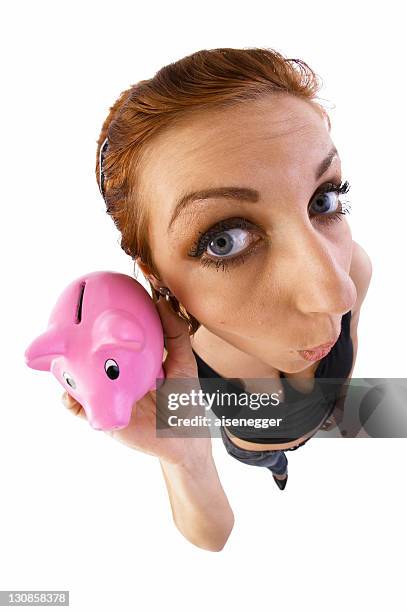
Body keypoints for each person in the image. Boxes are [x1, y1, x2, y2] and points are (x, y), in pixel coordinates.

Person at [63, 47, 372, 551]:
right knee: (272, 461)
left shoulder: (353, 265)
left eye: (324, 200)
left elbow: (350, 336)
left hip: (322, 417)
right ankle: (278, 470)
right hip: (255, 446)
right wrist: (184, 456)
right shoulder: (176, 370)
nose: (336, 292)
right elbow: (213, 537)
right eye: (224, 239)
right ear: (155, 274)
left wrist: (338, 405)